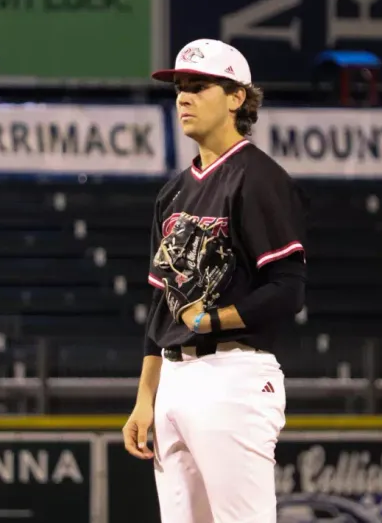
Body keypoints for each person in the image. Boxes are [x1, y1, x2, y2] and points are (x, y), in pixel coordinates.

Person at [123, 38, 308, 523]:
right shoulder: (172, 193)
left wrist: (211, 320)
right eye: (180, 87)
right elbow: (162, 305)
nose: (183, 97)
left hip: (233, 374)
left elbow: (288, 288)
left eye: (198, 86)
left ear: (236, 98)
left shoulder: (260, 178)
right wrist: (145, 399)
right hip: (173, 381)